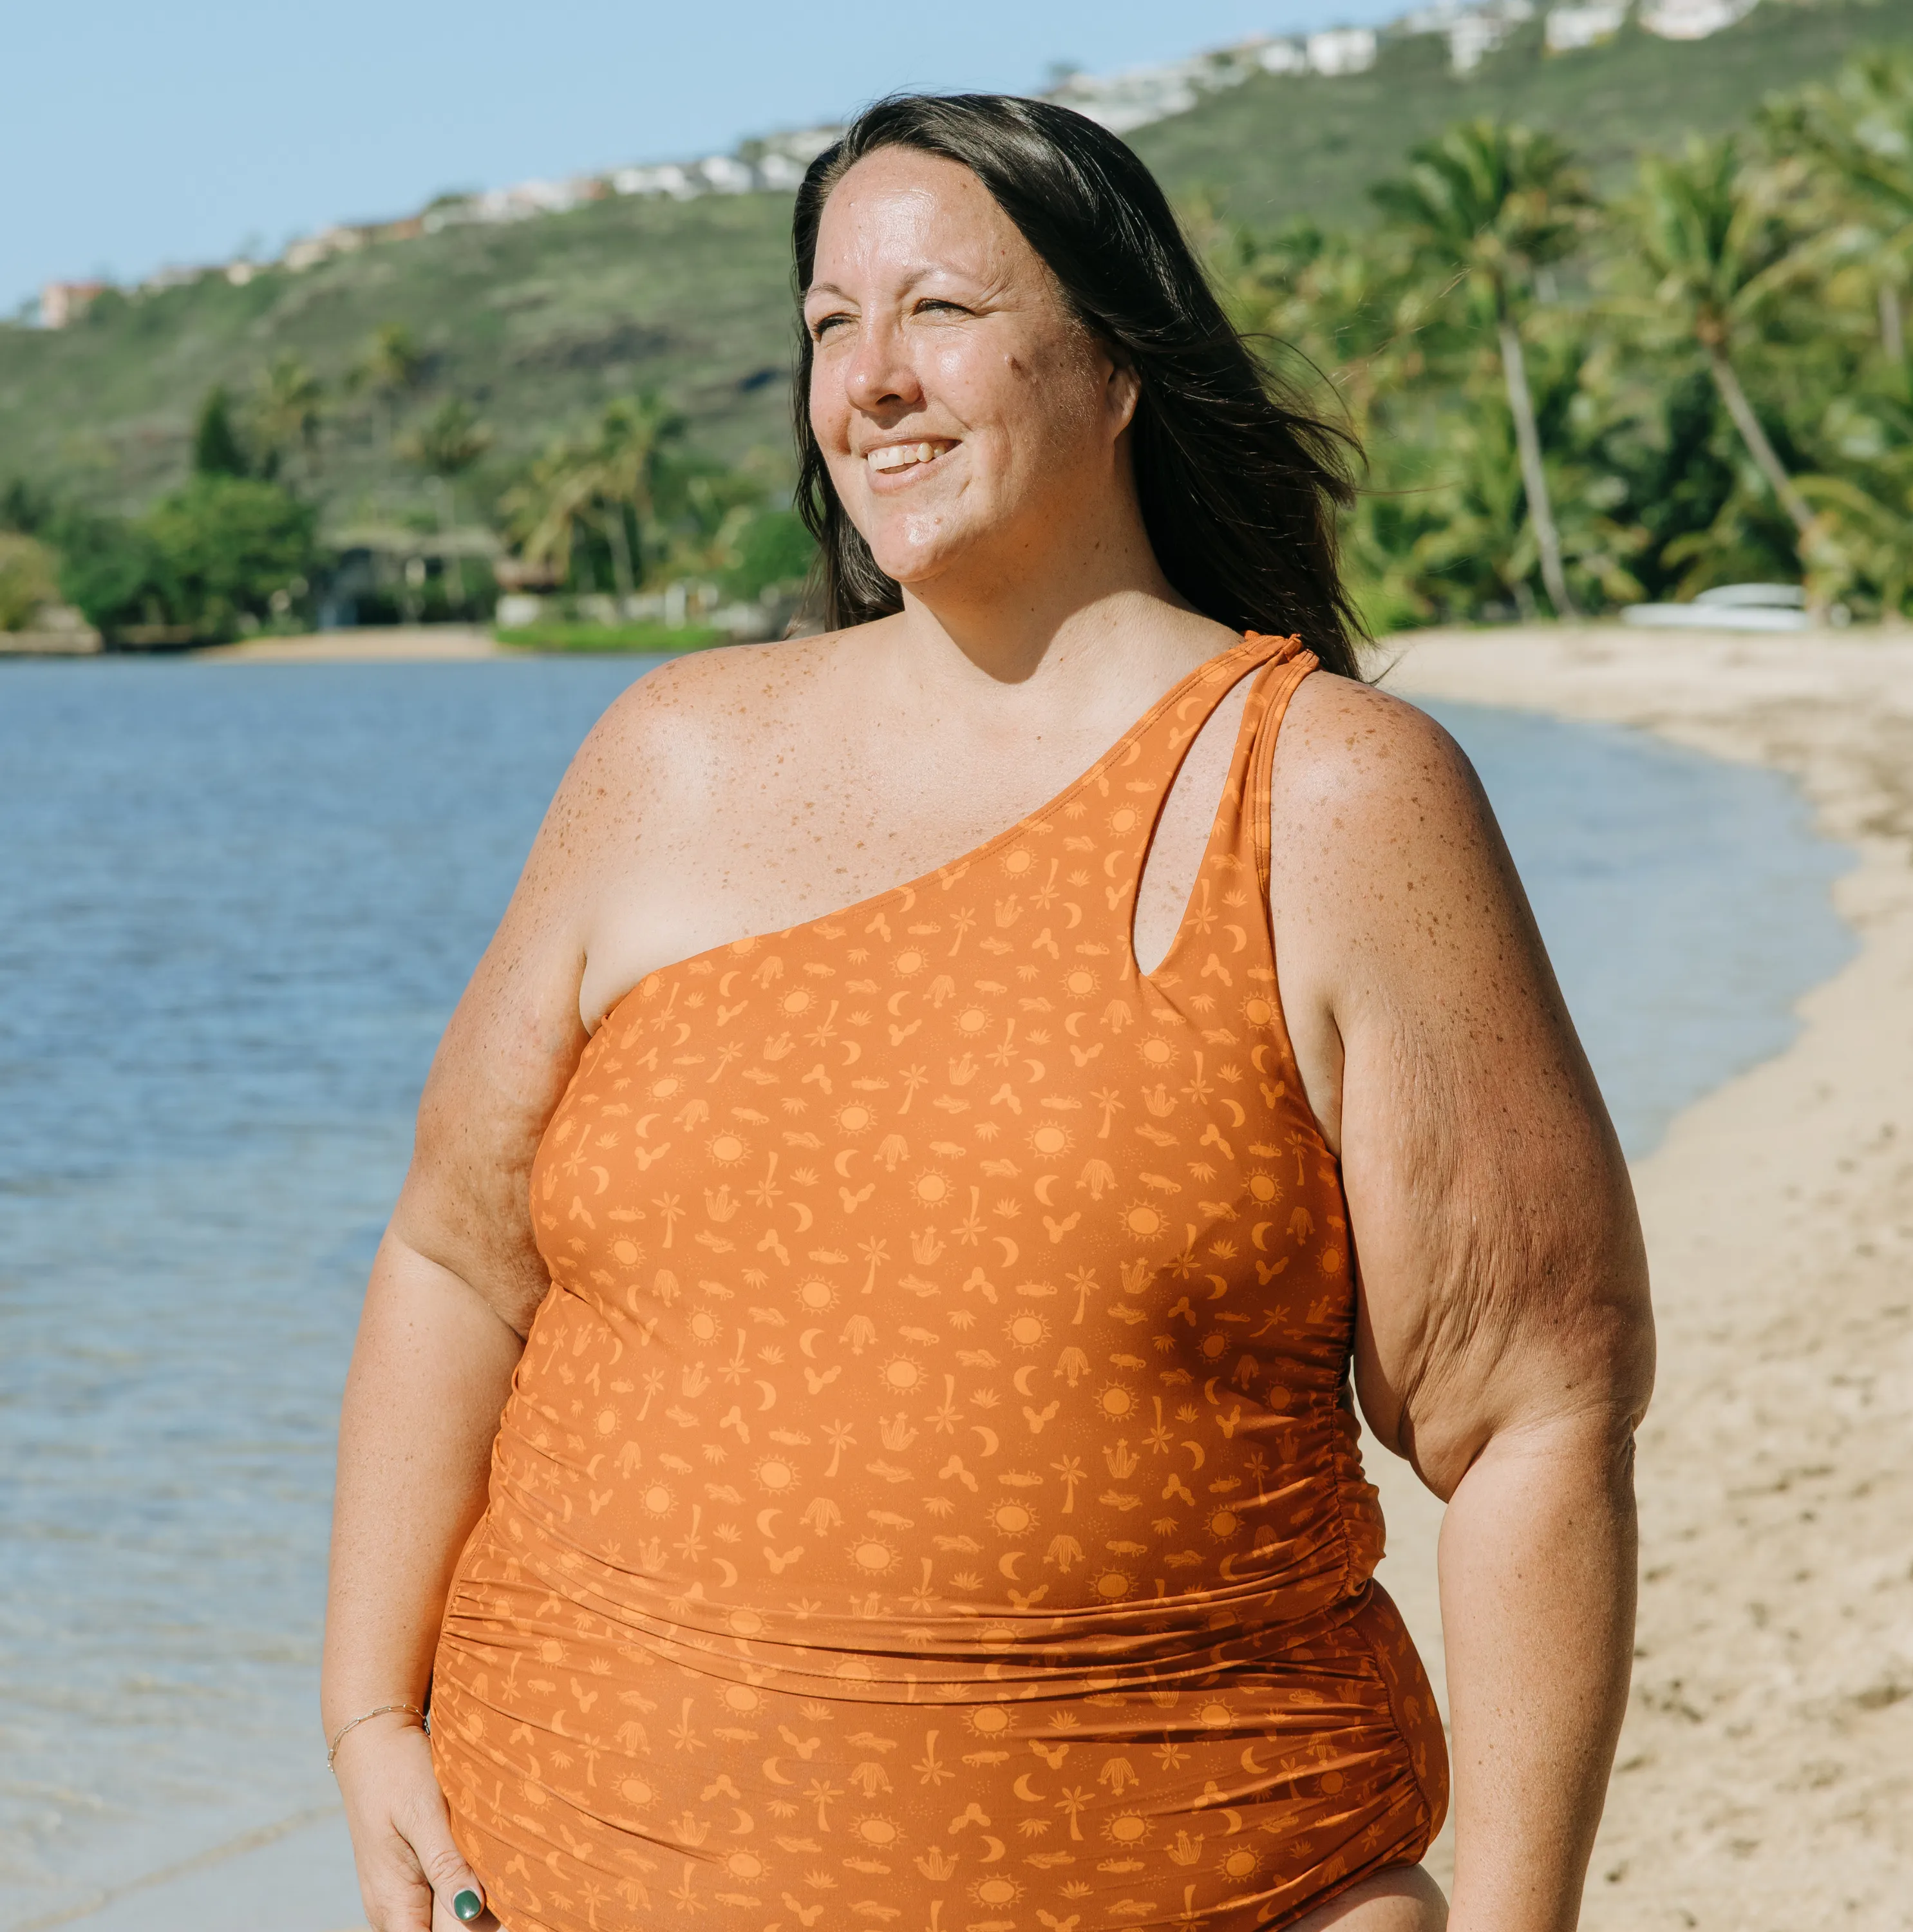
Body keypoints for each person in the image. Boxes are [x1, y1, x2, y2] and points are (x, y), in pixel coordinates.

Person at [323, 93, 1653, 1932]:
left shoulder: (1333, 798)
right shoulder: (671, 758)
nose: (872, 376)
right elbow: (456, 1261)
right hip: (548, 1878)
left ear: (1119, 367)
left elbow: (1535, 1419)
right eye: (827, 326)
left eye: (940, 311)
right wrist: (371, 1714)